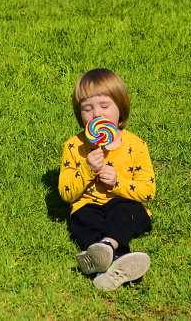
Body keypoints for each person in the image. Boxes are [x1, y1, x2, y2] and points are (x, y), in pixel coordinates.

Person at [58, 68, 156, 291]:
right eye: (87, 108)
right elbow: (66, 194)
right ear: (79, 114)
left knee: (123, 214)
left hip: (125, 205)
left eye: (104, 106)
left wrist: (117, 182)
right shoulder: (74, 146)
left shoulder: (136, 145)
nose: (96, 114)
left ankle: (104, 248)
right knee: (85, 219)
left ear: (120, 108)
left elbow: (148, 191)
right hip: (88, 205)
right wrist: (87, 168)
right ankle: (110, 268)